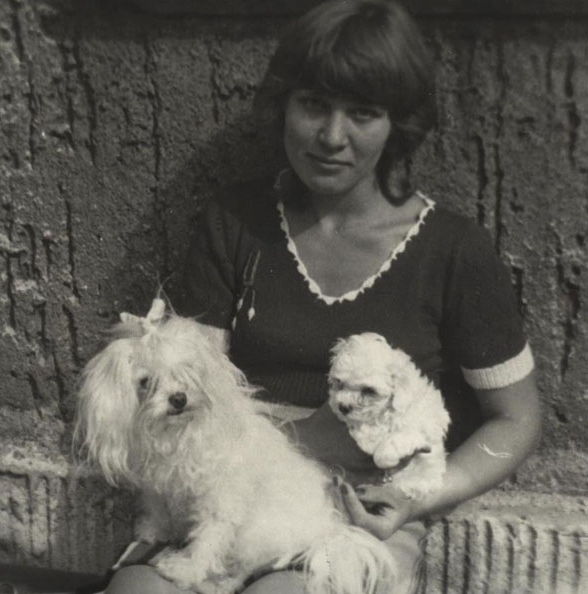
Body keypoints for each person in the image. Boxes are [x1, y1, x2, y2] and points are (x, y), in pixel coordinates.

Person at [105, 1, 542, 592]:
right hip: (227, 483)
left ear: (397, 124)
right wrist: (291, 439)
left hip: (356, 506)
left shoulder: (453, 250)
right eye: (313, 104)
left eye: (363, 113)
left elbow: (517, 420)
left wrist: (415, 498)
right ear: (283, 104)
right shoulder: (237, 222)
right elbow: (193, 383)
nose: (332, 137)